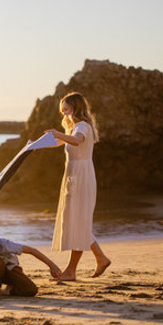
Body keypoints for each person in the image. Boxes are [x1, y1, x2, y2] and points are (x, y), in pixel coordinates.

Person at [45, 92, 111, 281]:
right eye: (62, 110)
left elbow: (76, 140)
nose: (64, 114)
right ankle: (101, 258)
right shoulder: (74, 127)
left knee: (78, 221)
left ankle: (71, 271)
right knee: (76, 220)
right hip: (73, 174)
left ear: (76, 108)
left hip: (82, 175)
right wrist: (36, 145)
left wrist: (58, 133)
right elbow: (61, 141)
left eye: (66, 110)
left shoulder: (83, 126)